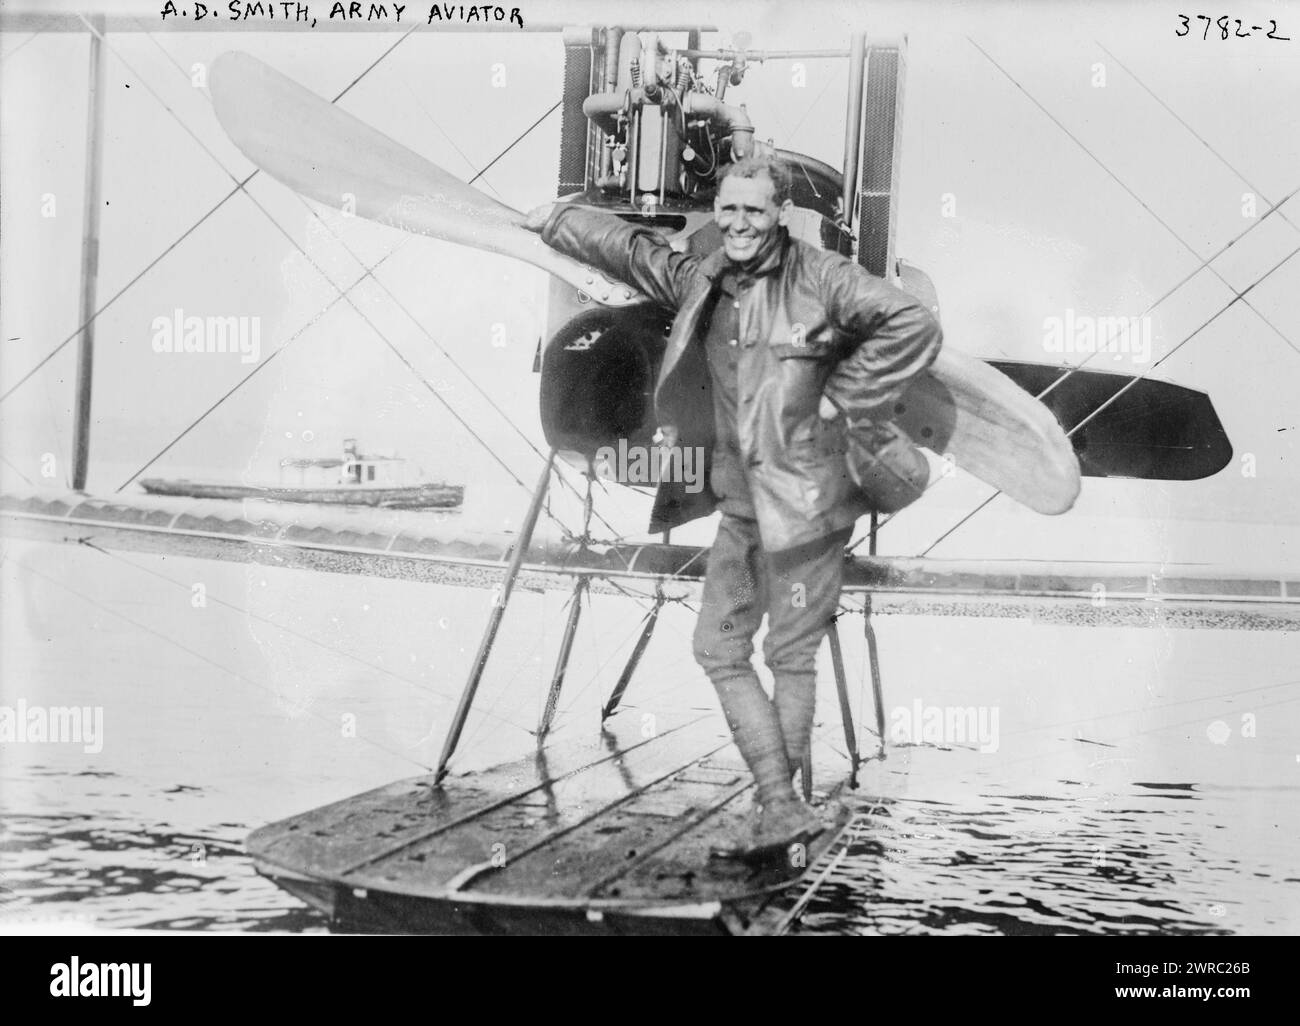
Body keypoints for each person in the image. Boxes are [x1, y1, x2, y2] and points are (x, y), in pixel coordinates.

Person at [523, 154, 942, 858]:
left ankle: (784, 807)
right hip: (746, 504)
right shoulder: (703, 277)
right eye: (729, 209)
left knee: (791, 655)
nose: (740, 223)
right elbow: (630, 250)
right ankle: (782, 805)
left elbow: (912, 325)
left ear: (778, 212)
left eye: (754, 210)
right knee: (718, 647)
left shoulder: (824, 277)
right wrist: (558, 220)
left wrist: (846, 394)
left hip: (807, 504)